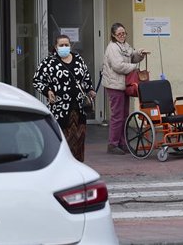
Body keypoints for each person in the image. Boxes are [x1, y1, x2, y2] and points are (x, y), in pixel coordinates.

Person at [33, 34, 96, 162]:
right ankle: (62, 165)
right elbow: (37, 80)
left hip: (79, 108)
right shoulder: (49, 63)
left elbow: (86, 77)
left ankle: (77, 165)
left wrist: (90, 90)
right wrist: (47, 91)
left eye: (66, 45)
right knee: (62, 140)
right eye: (61, 45)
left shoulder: (78, 59)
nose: (64, 47)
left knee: (78, 139)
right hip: (60, 109)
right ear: (55, 47)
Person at [102, 22, 148, 155]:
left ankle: (122, 143)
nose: (122, 36)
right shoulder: (112, 48)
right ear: (113, 35)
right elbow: (118, 66)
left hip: (124, 85)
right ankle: (113, 144)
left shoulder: (124, 45)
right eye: (119, 34)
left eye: (124, 33)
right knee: (117, 116)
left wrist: (140, 53)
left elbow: (132, 56)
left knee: (124, 115)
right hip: (115, 85)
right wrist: (134, 67)